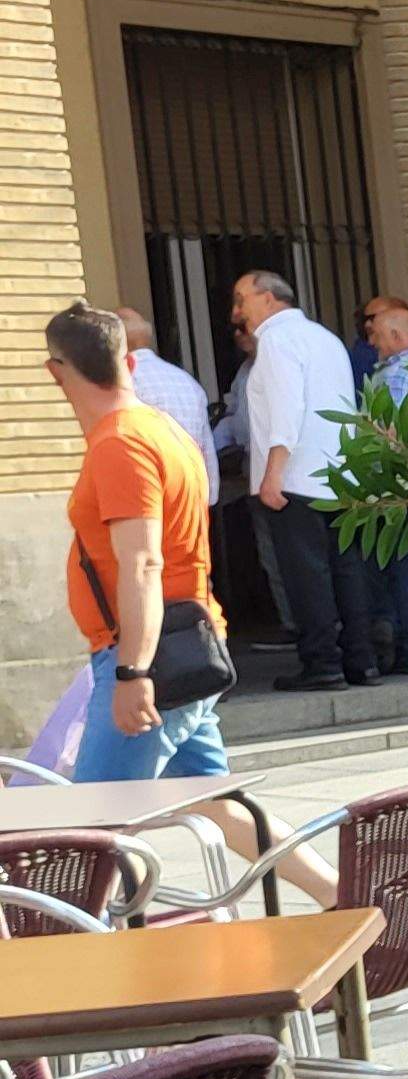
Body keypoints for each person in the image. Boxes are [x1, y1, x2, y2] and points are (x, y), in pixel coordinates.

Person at [45, 302, 225, 782]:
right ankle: (328, 865)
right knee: (221, 807)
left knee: (94, 822)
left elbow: (143, 563)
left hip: (153, 651)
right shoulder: (162, 428)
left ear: (55, 372)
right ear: (127, 363)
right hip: (186, 638)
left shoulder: (120, 443)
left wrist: (134, 672)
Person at [228, 270, 369, 691]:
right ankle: (361, 660)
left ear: (269, 299)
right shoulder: (324, 338)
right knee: (346, 571)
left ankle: (322, 663)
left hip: (298, 477)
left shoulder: (276, 339)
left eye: (241, 299)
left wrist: (273, 473)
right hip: (340, 475)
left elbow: (286, 409)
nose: (237, 311)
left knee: (306, 577)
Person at [336, 296, 408, 674]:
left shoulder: (396, 374)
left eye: (377, 336)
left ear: (397, 335)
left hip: (404, 481)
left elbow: (391, 434)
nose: (373, 344)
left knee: (404, 565)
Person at [115, 308, 215, 494]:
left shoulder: (123, 382)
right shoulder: (187, 381)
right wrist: (209, 496)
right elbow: (206, 447)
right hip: (192, 494)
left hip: (148, 494)